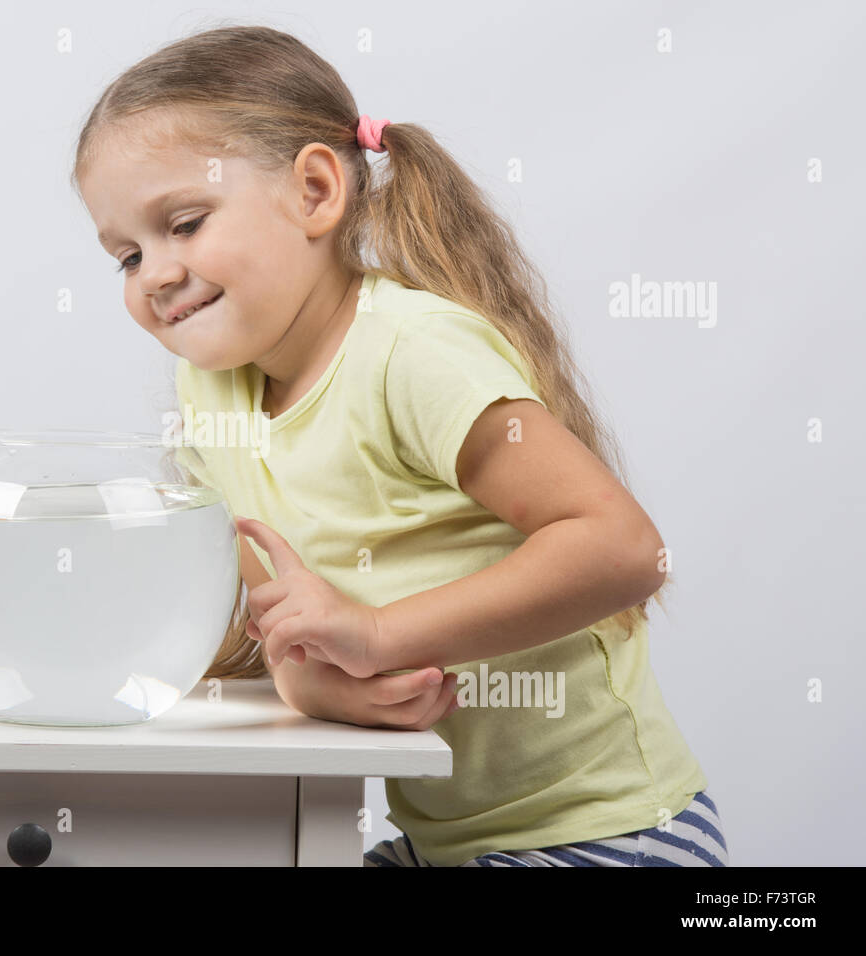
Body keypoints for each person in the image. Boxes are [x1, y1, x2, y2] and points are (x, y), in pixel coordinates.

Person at [71, 24, 727, 867]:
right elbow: (288, 629)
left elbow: (628, 550)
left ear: (314, 191)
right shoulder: (213, 398)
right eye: (126, 255)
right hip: (443, 844)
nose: (155, 274)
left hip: (612, 835)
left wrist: (379, 636)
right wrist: (307, 677)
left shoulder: (409, 353)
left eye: (185, 223)